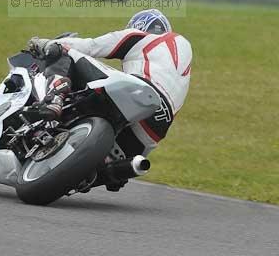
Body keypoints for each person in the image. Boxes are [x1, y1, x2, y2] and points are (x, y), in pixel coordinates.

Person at [26, 8, 192, 161]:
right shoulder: (181, 65)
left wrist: (46, 43)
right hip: (153, 131)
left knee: (62, 51)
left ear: (140, 26)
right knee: (106, 170)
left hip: (142, 91)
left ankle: (53, 99)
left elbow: (91, 47)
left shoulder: (143, 37)